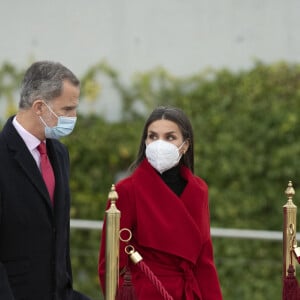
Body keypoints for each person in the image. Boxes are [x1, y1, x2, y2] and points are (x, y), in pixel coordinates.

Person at [98, 106, 222, 299]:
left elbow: (204, 261)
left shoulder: (199, 190)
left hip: (188, 293)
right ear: (145, 141)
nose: (159, 144)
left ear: (186, 145)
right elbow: (111, 265)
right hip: (145, 293)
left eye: (170, 137)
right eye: (153, 136)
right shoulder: (126, 190)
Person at [0, 61, 90, 300]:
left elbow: (58, 239)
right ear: (39, 107)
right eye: (67, 110)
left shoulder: (59, 154)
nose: (73, 117)